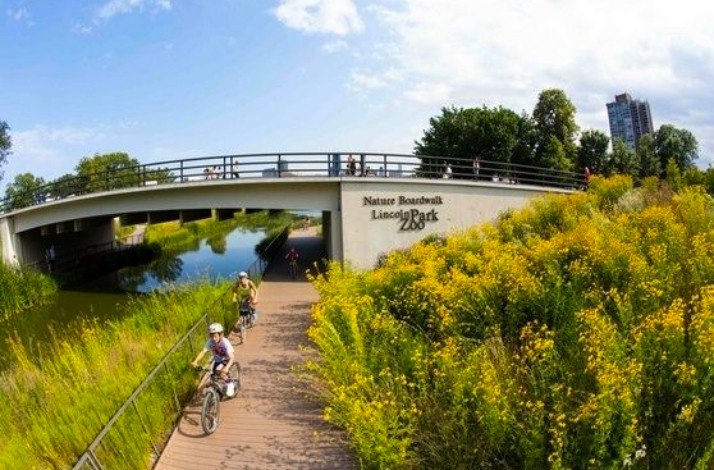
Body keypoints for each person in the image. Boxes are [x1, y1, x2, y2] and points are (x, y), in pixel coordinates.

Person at [191, 322, 237, 396]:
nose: (213, 338)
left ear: (221, 335)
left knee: (220, 371)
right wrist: (195, 361)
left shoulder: (225, 342)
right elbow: (203, 352)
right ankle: (217, 393)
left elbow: (232, 357)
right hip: (218, 360)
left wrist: (227, 367)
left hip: (226, 359)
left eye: (215, 336)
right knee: (213, 376)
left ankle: (230, 383)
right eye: (211, 336)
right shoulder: (210, 342)